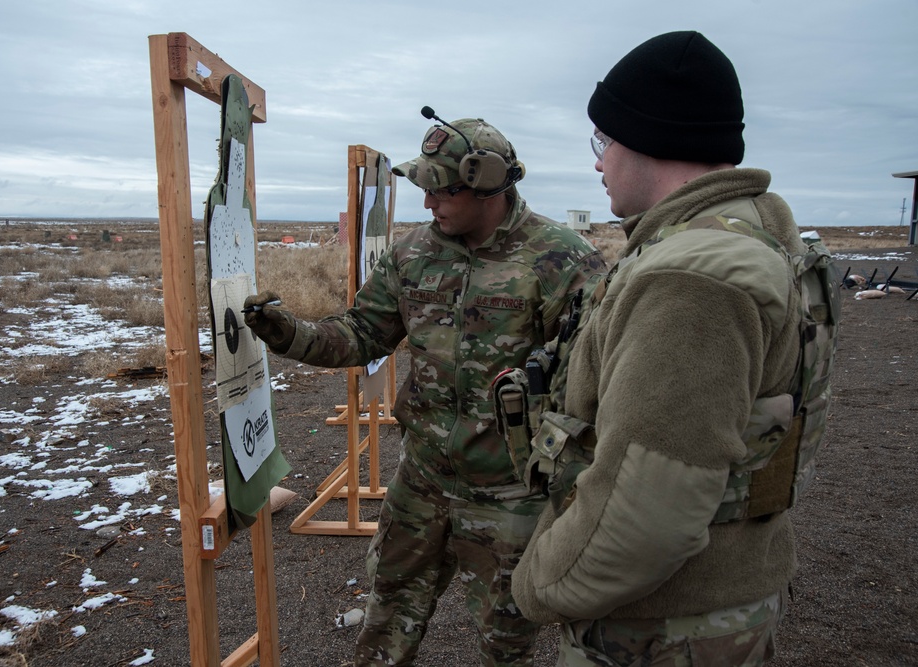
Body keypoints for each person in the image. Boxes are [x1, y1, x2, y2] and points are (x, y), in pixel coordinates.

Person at [512, 31, 840, 666]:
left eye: (604, 141)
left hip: (661, 629)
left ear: (650, 137)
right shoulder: (745, 237)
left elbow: (646, 514)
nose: (598, 162)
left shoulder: (691, 277)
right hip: (706, 609)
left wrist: (536, 586)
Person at [244, 114, 608, 666]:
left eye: (440, 191)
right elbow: (361, 334)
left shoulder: (561, 260)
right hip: (423, 481)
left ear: (485, 185)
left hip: (512, 496)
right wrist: (287, 332)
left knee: (506, 641)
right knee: (386, 616)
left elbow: (592, 382)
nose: (428, 204)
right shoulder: (414, 255)